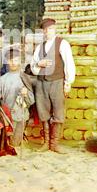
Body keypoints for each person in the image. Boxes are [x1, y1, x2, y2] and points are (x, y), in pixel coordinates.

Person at [31, 18, 76, 153]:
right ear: (43, 31)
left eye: (50, 29)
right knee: (43, 113)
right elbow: (33, 66)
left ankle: (54, 144)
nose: (48, 31)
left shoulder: (62, 44)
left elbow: (69, 63)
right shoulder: (39, 47)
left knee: (58, 112)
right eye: (45, 29)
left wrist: (68, 83)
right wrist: (39, 64)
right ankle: (46, 143)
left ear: (55, 29)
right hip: (42, 83)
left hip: (57, 81)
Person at [0, 48, 35, 147]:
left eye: (16, 60)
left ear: (20, 61)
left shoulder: (24, 77)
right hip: (5, 116)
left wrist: (26, 94)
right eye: (10, 60)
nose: (13, 63)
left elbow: (32, 100)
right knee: (4, 144)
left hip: (20, 115)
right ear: (7, 61)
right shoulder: (2, 79)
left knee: (14, 144)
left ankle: (20, 135)